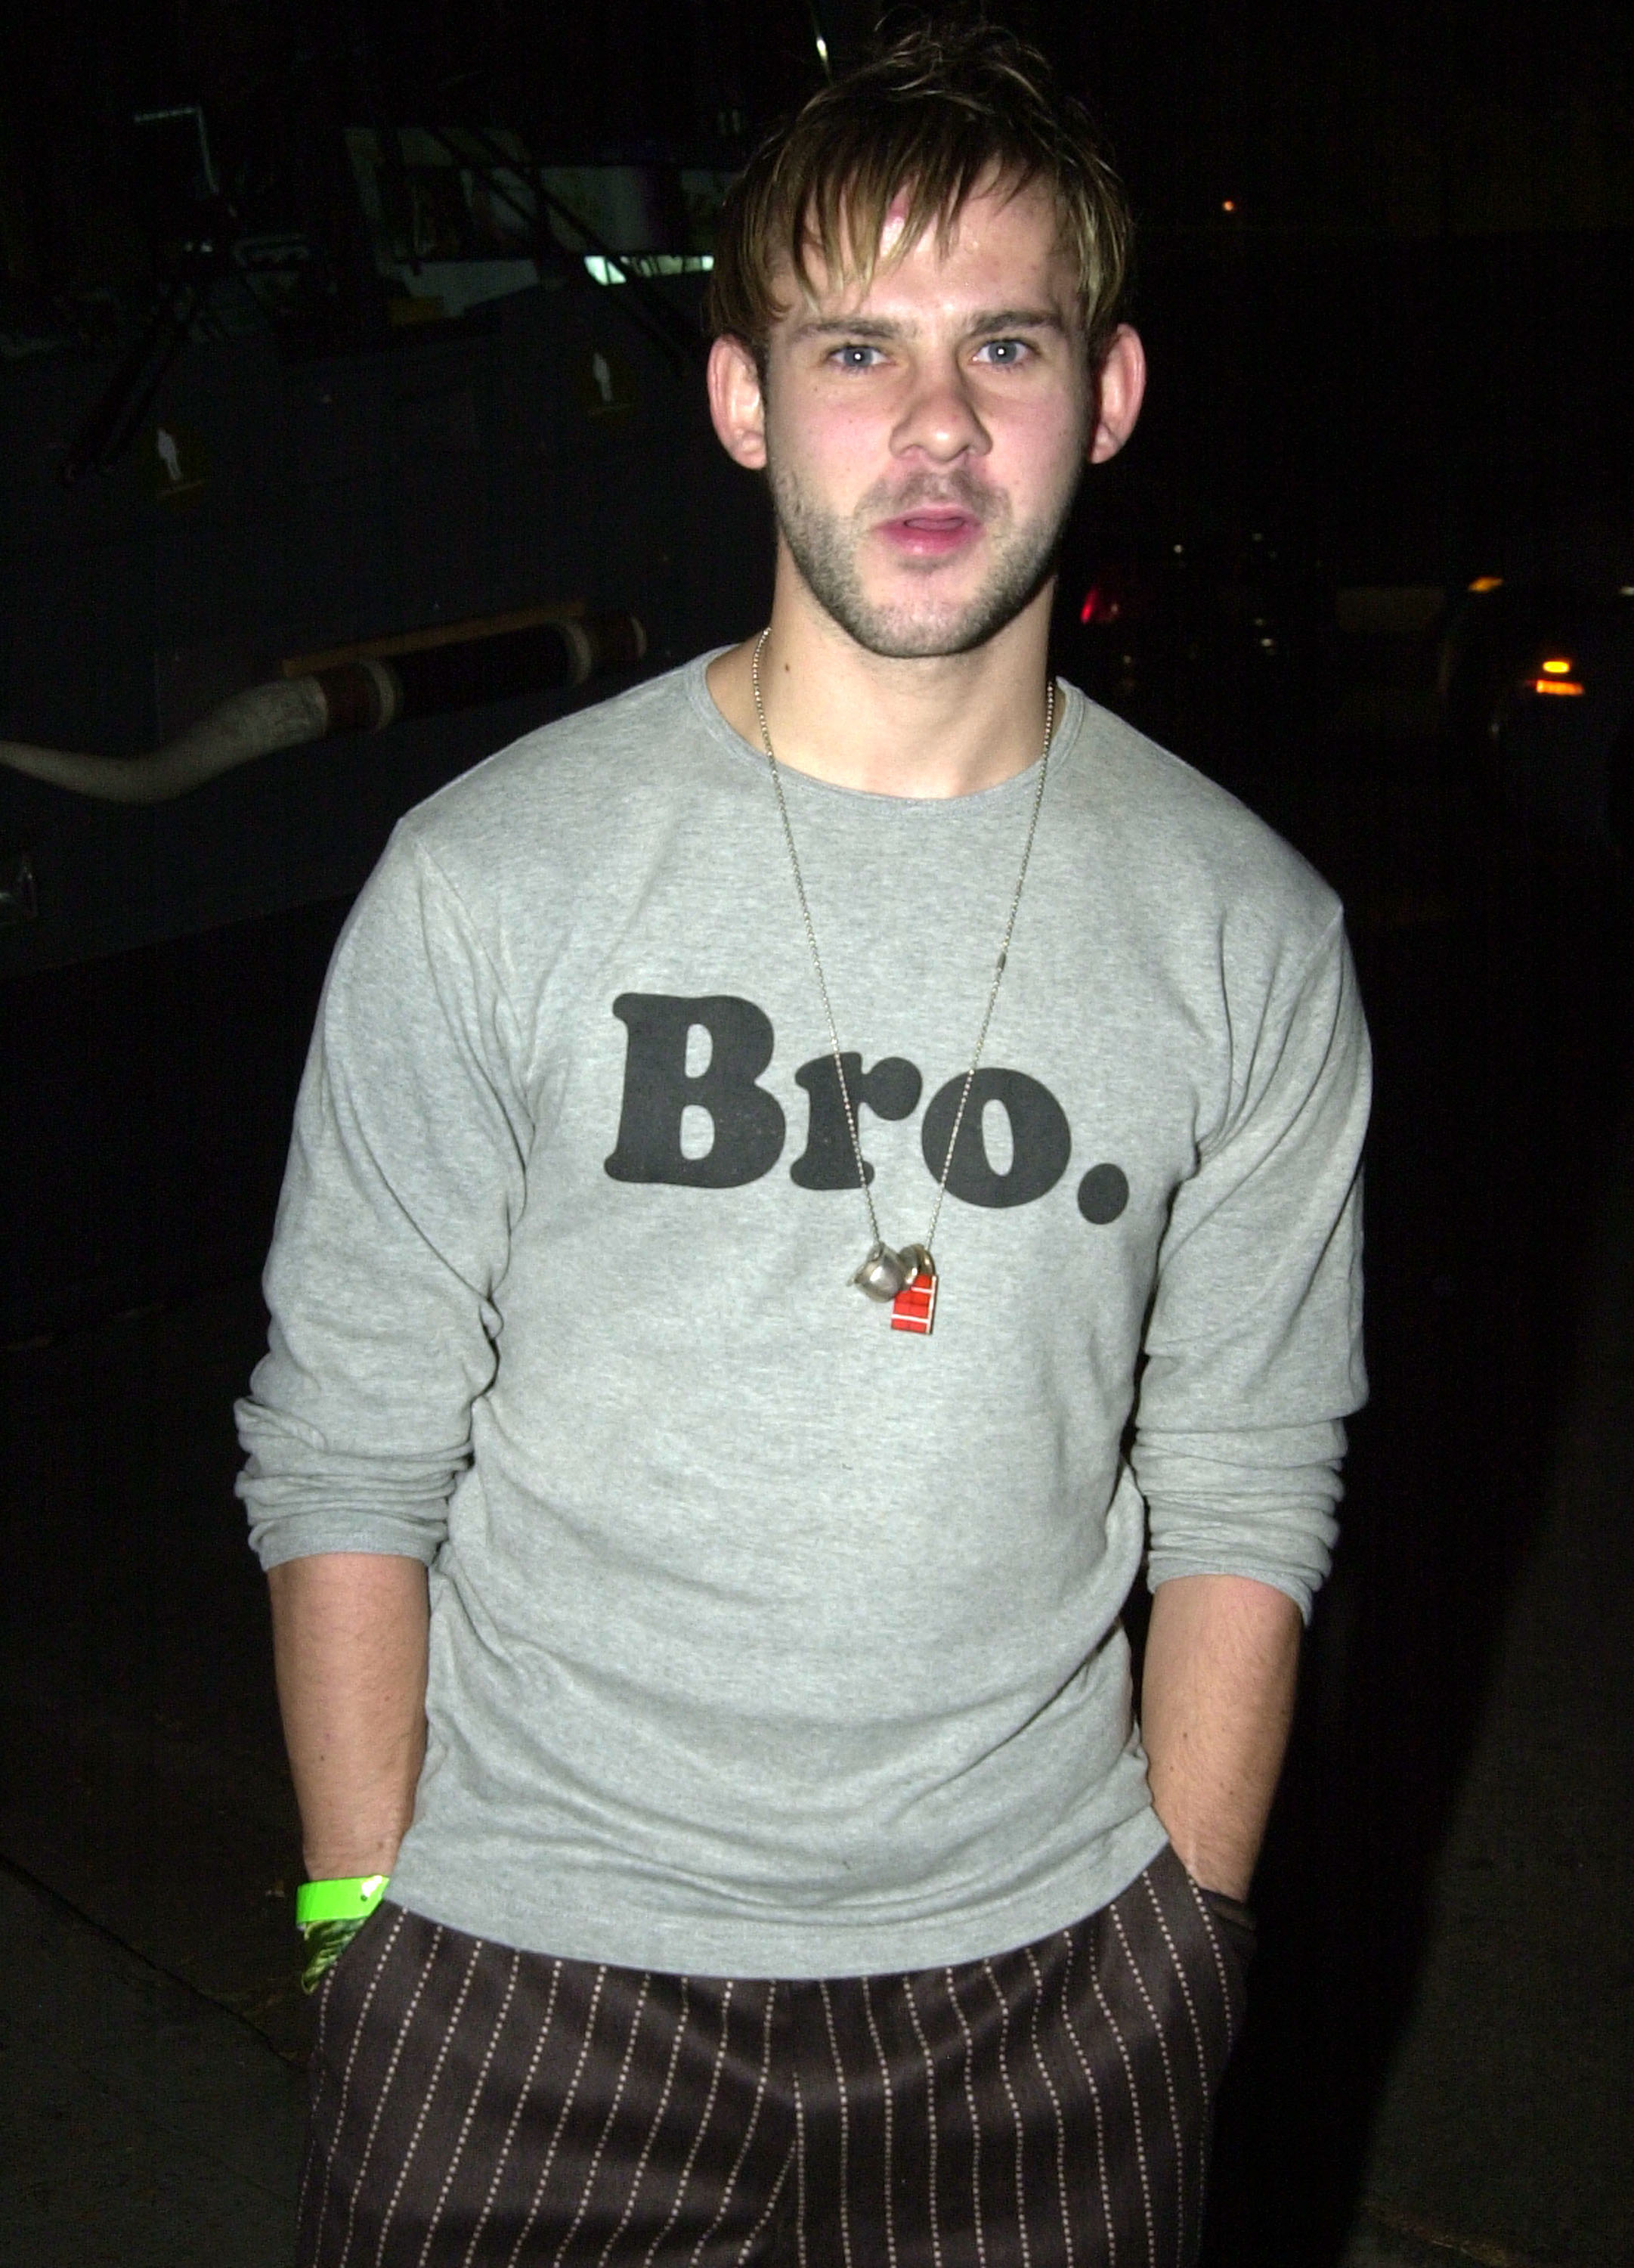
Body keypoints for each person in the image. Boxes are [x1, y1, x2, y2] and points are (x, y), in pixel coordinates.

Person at [237, 23, 1369, 2267]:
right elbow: (348, 1445)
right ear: (747, 399)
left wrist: (1189, 1941)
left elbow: (1247, 1475)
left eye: (1003, 344)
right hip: (520, 1976)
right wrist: (362, 1921)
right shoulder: (494, 881)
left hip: (1050, 2001)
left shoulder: (1244, 929)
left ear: (1106, 394)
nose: (934, 426)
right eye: (856, 346)